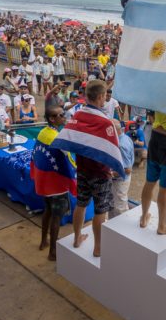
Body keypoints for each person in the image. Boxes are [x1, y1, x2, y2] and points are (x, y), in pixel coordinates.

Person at [52, 80, 124, 258]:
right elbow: (113, 149)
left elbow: (65, 141)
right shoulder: (105, 122)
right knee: (101, 210)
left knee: (81, 204)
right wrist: (117, 168)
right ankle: (98, 247)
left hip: (82, 170)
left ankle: (77, 238)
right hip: (101, 173)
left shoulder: (76, 116)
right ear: (100, 96)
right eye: (104, 97)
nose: (105, 100)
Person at [30, 106, 76, 261]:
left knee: (47, 211)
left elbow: (35, 154)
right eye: (61, 115)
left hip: (44, 183)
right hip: (56, 185)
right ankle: (53, 252)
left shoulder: (43, 132)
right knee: (56, 218)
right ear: (52, 119)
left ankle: (44, 241)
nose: (64, 117)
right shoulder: (58, 138)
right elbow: (69, 161)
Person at [110, 119, 134, 218]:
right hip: (117, 179)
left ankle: (122, 230)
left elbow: (127, 170)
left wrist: (109, 174)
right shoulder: (125, 138)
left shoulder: (121, 145)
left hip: (119, 180)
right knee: (112, 205)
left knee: (120, 208)